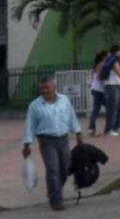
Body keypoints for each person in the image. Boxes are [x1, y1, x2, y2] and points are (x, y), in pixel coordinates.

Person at [22, 78, 82, 211]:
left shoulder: (64, 100)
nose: (44, 90)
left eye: (47, 87)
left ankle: (53, 190)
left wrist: (78, 133)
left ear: (54, 87)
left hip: (63, 139)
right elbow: (29, 125)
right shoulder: (35, 105)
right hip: (46, 141)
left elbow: (72, 117)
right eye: (42, 88)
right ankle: (56, 200)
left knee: (65, 168)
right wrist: (27, 144)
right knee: (53, 169)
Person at [102, 45, 120, 136]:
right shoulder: (113, 60)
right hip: (112, 86)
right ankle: (109, 130)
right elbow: (119, 72)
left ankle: (117, 127)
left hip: (117, 85)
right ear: (117, 52)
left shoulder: (112, 60)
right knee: (113, 108)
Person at [87, 50, 109, 137]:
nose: (108, 57)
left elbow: (94, 77)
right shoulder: (101, 64)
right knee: (97, 109)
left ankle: (93, 129)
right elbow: (100, 77)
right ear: (104, 57)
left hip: (97, 89)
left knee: (104, 108)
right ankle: (91, 129)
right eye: (107, 56)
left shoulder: (98, 64)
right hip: (98, 90)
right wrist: (106, 83)